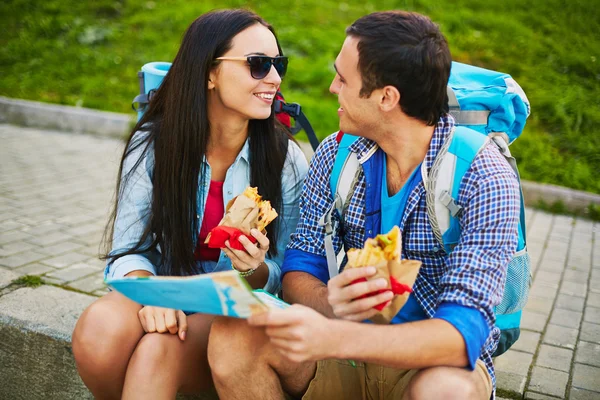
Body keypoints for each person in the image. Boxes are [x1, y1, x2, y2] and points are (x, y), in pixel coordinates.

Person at [207, 10, 520, 400]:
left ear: (387, 97)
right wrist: (332, 306)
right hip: (344, 356)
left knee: (446, 390)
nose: (332, 88)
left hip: (427, 365)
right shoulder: (336, 154)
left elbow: (461, 338)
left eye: (343, 78)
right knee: (234, 334)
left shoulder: (484, 176)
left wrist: (338, 335)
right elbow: (300, 267)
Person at [71, 9, 308, 400]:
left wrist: (254, 268)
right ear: (209, 73)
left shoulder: (285, 158)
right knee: (100, 331)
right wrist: (152, 296)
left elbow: (283, 274)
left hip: (231, 308)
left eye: (277, 64)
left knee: (159, 349)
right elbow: (127, 250)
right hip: (164, 284)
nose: (275, 79)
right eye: (258, 64)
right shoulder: (154, 144)